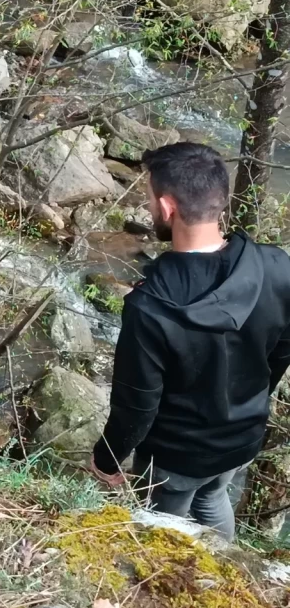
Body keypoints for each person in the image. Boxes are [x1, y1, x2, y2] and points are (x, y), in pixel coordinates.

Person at [90, 142, 290, 541]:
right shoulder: (277, 266)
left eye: (148, 198)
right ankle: (227, 570)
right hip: (242, 437)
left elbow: (136, 403)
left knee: (166, 535)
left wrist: (106, 460)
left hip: (176, 454)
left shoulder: (150, 306)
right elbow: (281, 353)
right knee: (213, 499)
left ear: (167, 208)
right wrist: (249, 403)